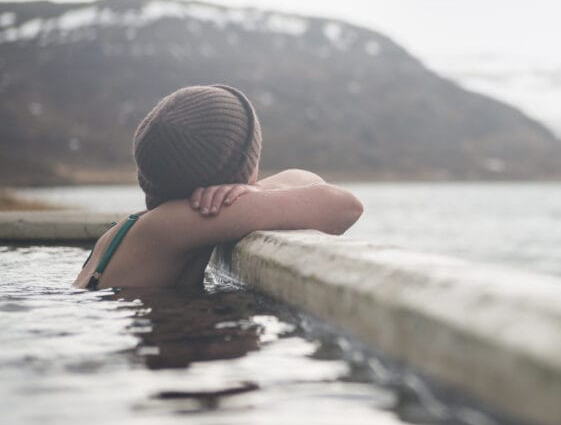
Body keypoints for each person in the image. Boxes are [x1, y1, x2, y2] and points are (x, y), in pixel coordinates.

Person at [74, 84, 363, 290]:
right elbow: (344, 207)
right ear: (239, 170)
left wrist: (256, 192)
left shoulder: (147, 222)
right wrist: (253, 196)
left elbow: (305, 178)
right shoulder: (186, 220)